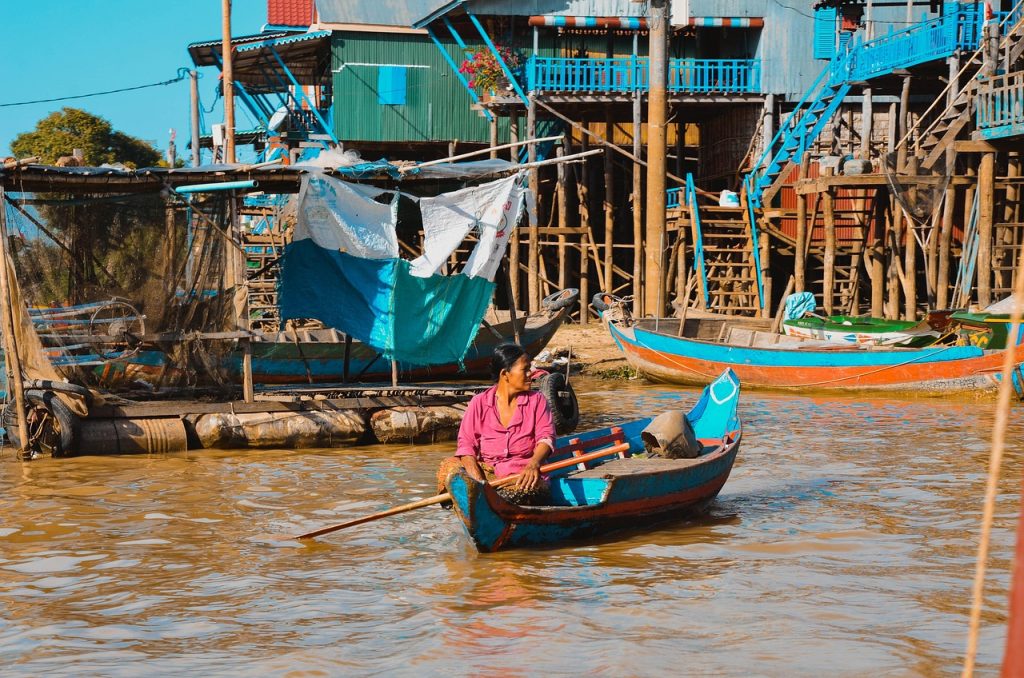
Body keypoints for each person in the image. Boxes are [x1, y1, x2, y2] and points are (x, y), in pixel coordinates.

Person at [438, 343, 556, 506]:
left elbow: (546, 438)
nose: (531, 374)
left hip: (523, 477)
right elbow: (466, 445)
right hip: (490, 476)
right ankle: (482, 500)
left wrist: (533, 463)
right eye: (525, 369)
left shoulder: (537, 401)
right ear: (505, 374)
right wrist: (479, 482)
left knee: (522, 491)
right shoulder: (479, 402)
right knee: (449, 466)